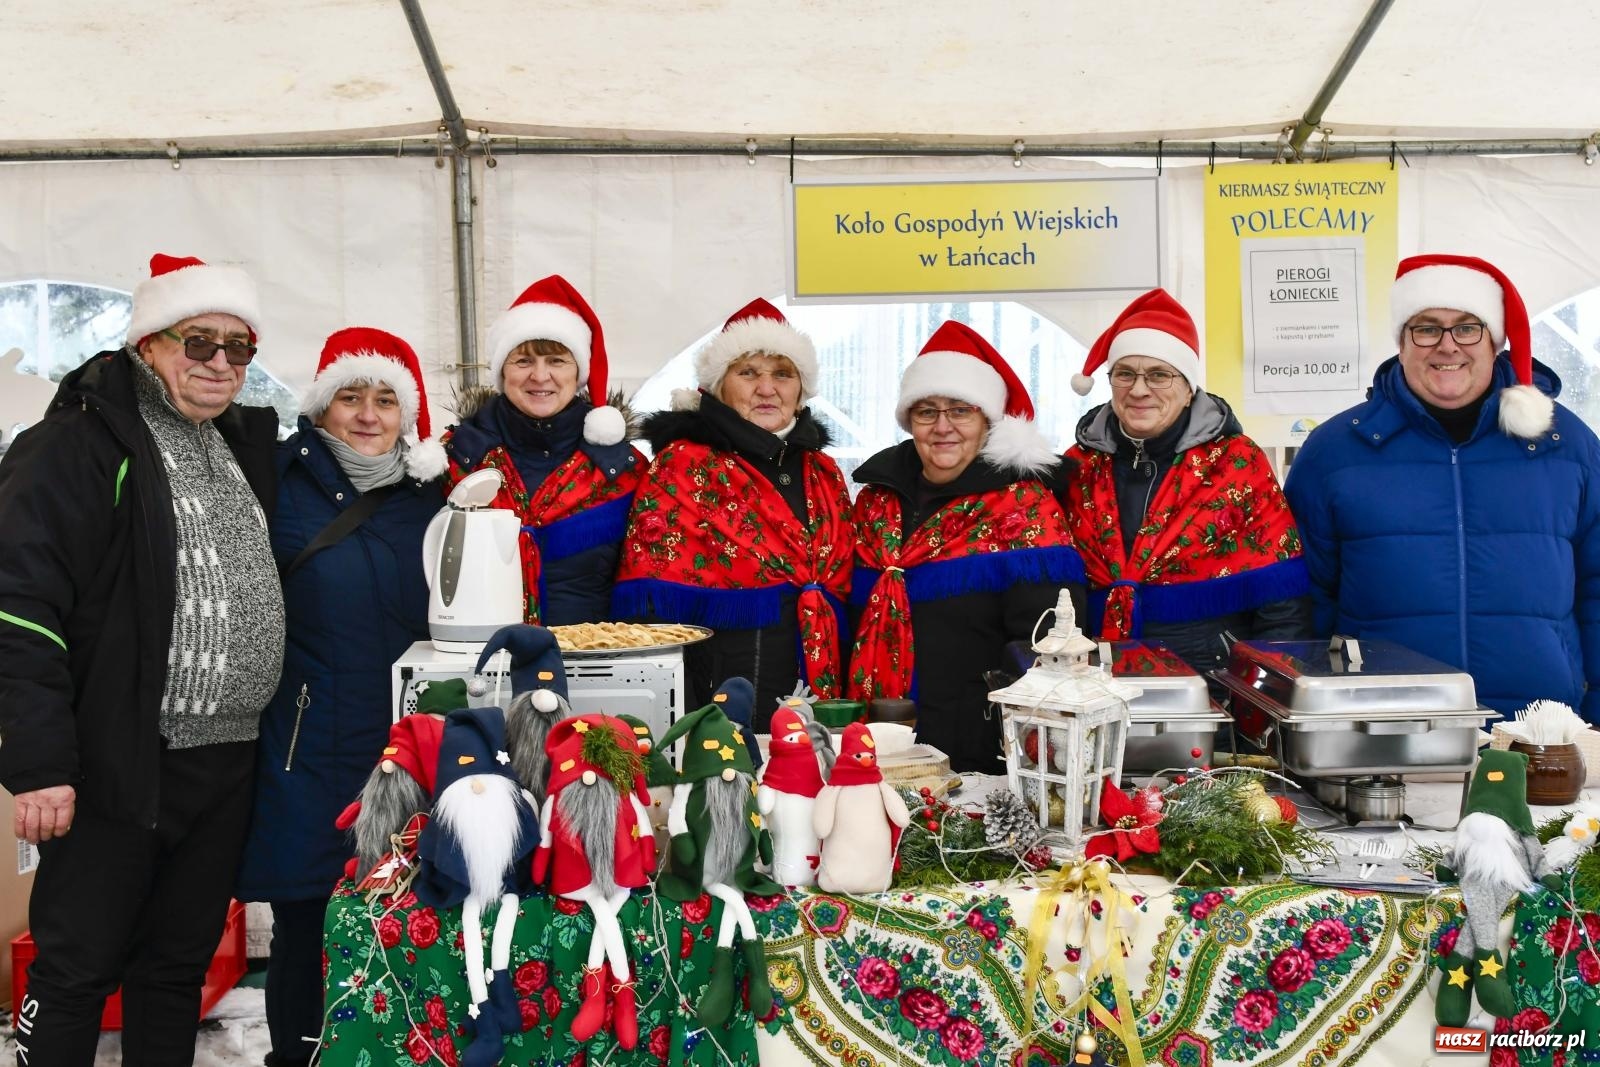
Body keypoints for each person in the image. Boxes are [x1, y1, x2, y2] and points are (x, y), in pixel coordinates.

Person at [0, 253, 283, 1065]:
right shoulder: (77, 445)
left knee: (175, 967)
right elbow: (18, 603)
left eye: (239, 348)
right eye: (200, 342)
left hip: (224, 762)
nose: (221, 364)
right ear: (148, 345)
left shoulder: (230, 443)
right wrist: (42, 761)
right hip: (120, 757)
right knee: (78, 967)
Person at [236, 327, 447, 1067]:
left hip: (412, 750)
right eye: (349, 397)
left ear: (407, 413)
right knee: (309, 920)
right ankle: (298, 1056)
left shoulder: (435, 496)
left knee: (412, 915)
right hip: (308, 746)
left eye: (385, 398)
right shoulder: (274, 481)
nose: (367, 413)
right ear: (321, 408)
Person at [1286, 254, 1600, 719]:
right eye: (1427, 327)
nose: (1448, 345)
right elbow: (1301, 603)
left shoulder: (1565, 444)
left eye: (1467, 327)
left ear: (1494, 340)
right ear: (1402, 341)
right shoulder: (1334, 453)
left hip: (1541, 730)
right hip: (1382, 729)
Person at [847, 321, 1084, 771]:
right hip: (873, 734)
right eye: (926, 412)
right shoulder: (874, 502)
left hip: (975, 743)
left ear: (986, 422)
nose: (942, 427)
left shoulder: (1024, 508)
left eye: (960, 411)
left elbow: (1050, 644)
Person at [614, 300, 853, 725]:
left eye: (783, 373)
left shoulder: (825, 473)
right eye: (748, 373)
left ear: (801, 390)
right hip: (717, 700)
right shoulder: (683, 466)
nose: (767, 388)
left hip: (814, 695)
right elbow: (652, 618)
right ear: (718, 387)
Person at [1062, 288, 1311, 673]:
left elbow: (1282, 604)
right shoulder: (1077, 467)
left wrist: (1263, 699)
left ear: (1188, 388)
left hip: (1214, 690)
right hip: (1095, 689)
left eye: (1159, 375)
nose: (1139, 389)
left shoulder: (1237, 463)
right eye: (1125, 374)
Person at [443, 274, 643, 624]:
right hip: (479, 665)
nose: (539, 376)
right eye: (523, 361)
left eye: (556, 361)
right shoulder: (457, 459)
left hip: (593, 666)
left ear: (578, 372)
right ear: (502, 372)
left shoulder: (622, 469)